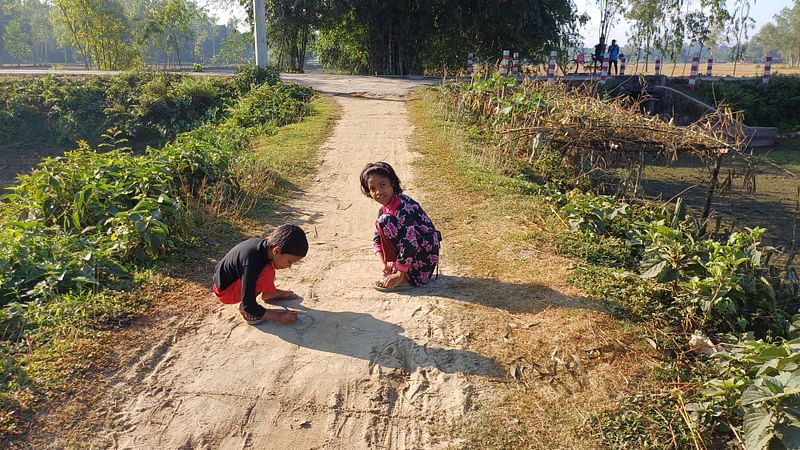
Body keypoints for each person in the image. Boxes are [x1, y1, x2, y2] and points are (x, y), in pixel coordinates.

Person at [360, 162, 440, 291]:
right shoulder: (384, 210)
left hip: (424, 260)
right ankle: (398, 269)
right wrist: (384, 264)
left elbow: (410, 242)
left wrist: (399, 274)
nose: (378, 192)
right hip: (412, 257)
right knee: (383, 221)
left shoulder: (403, 207)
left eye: (383, 185)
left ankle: (404, 278)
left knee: (386, 221)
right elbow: (377, 240)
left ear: (393, 184)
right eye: (373, 189)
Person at [212, 224, 308, 325]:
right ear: (277, 251)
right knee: (266, 270)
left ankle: (269, 293)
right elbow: (248, 305)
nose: (290, 266)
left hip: (233, 281)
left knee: (267, 267)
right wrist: (278, 316)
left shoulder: (265, 246)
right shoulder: (252, 262)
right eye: (290, 261)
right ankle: (246, 312)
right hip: (227, 293)